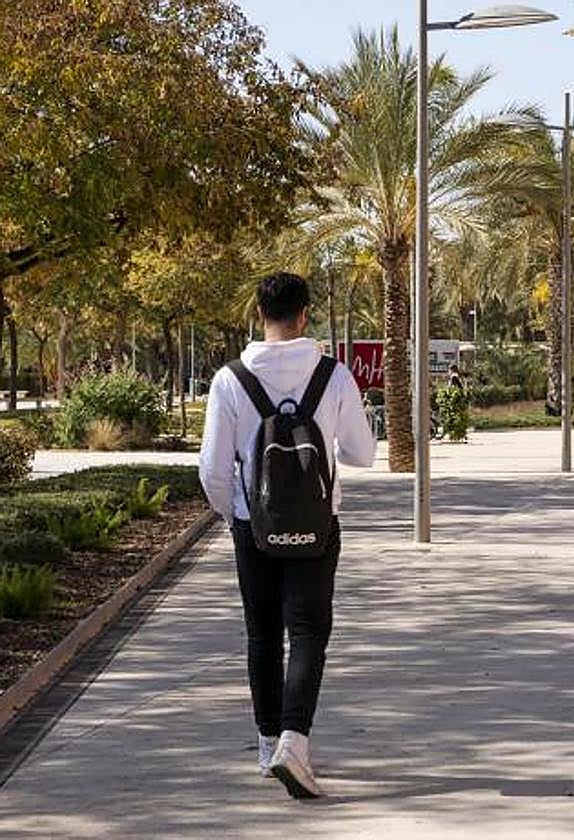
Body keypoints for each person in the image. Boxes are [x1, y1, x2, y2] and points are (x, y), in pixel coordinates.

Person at [199, 272, 375, 799]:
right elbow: (363, 453)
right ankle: (295, 742)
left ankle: (266, 741)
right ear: (305, 316)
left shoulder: (229, 378)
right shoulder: (333, 375)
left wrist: (236, 519)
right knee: (307, 632)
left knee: (261, 634)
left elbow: (212, 469)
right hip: (318, 527)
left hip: (254, 526)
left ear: (259, 313)